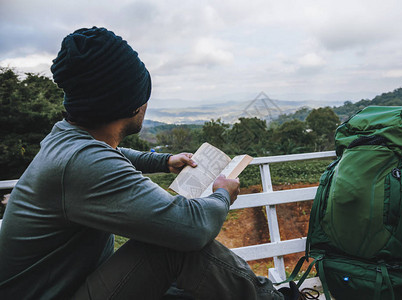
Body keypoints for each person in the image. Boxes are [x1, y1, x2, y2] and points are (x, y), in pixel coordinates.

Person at [0, 27, 298, 299]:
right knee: (173, 248)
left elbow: (116, 156)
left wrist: (165, 161)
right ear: (130, 102)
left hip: (70, 286)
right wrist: (222, 193)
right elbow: (191, 227)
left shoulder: (67, 140)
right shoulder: (82, 162)